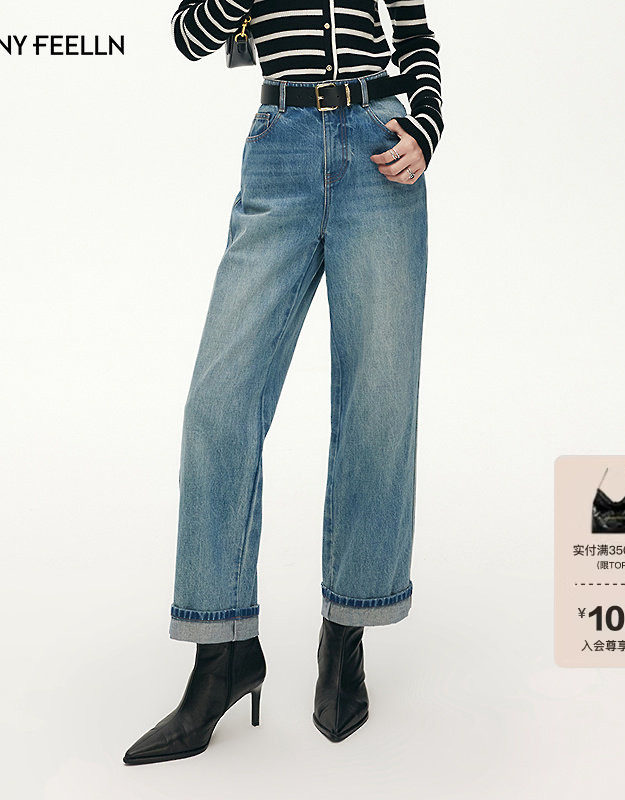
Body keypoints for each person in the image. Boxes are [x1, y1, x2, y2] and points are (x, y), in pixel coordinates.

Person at [124, 0, 444, 764]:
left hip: (379, 146)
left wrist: (426, 126)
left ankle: (346, 633)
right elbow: (190, 35)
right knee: (219, 403)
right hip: (280, 146)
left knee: (378, 403)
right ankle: (223, 653)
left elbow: (415, 36)